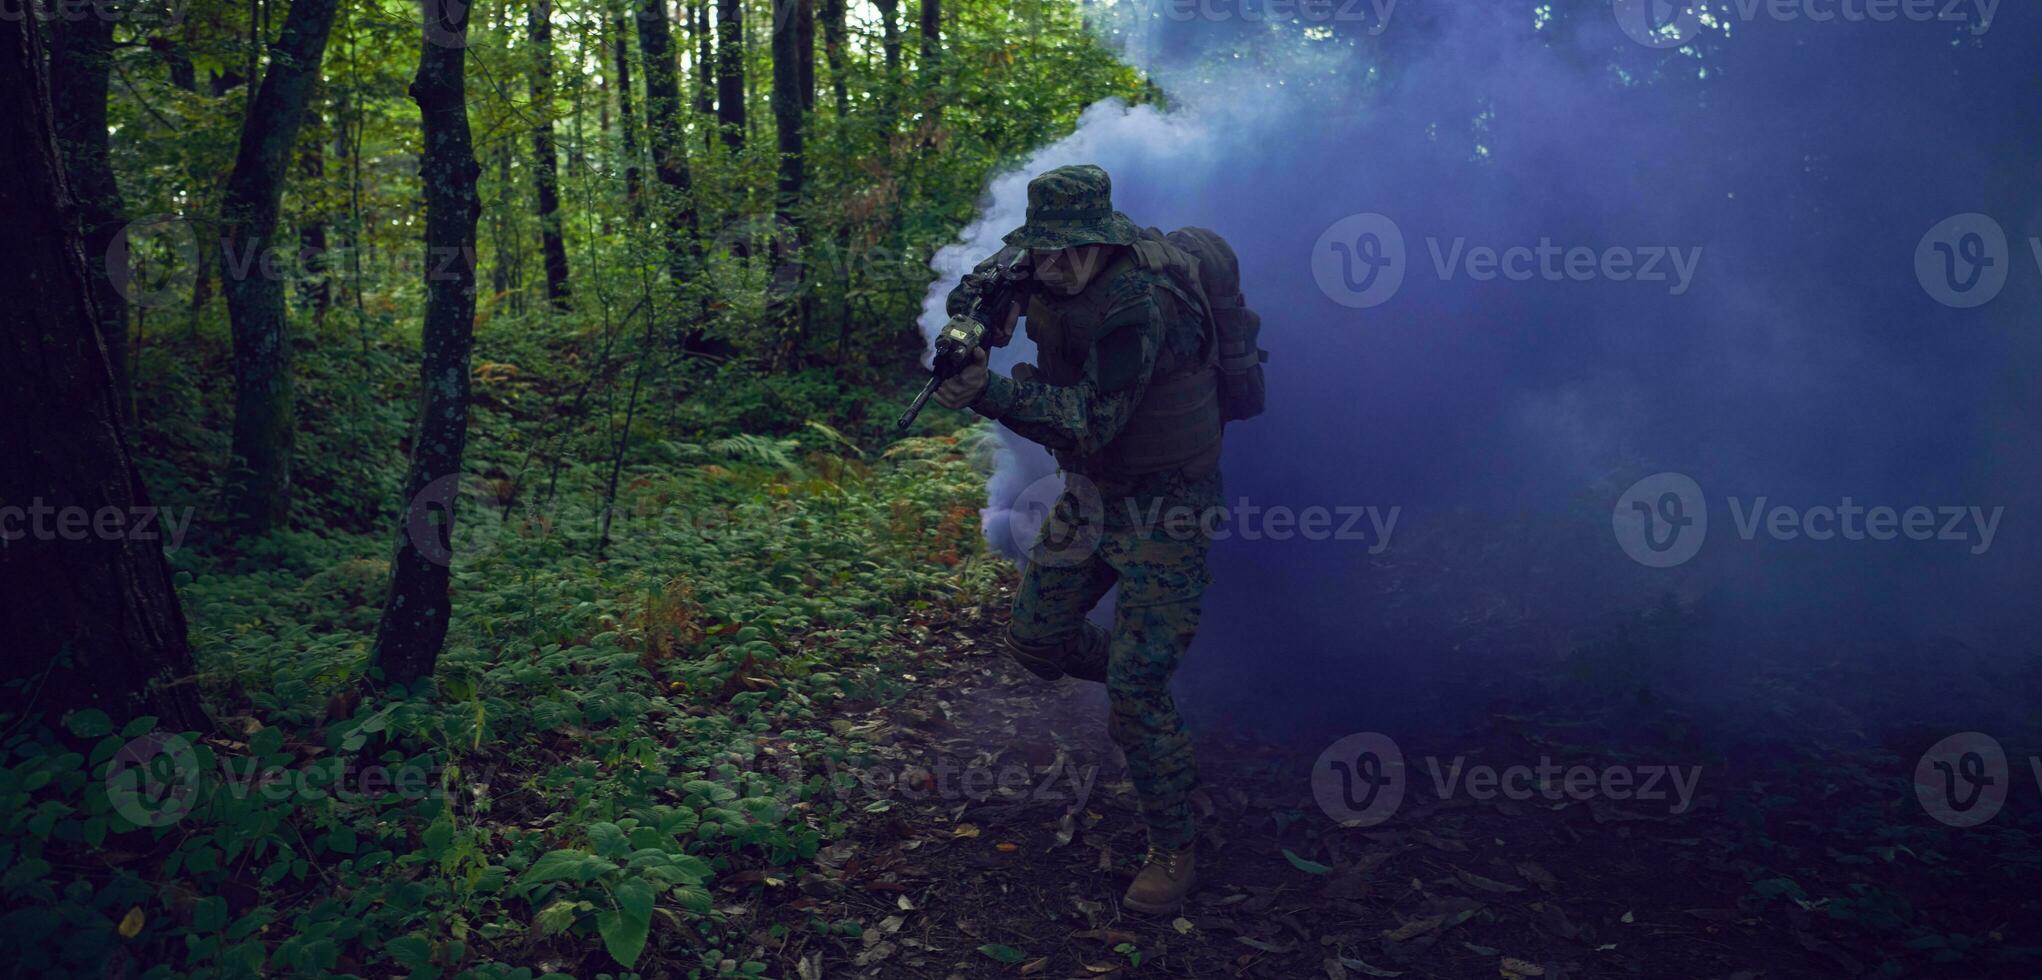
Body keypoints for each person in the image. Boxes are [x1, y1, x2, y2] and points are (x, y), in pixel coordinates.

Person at [933, 164, 1223, 913]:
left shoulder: (1138, 303)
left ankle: (1174, 842)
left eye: (1069, 252)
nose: (1052, 266)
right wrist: (976, 319)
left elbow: (1094, 420)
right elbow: (978, 286)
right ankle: (1144, 685)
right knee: (1035, 642)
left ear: (1102, 240)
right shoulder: (1035, 265)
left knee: (1133, 690)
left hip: (1169, 505)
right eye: (1043, 251)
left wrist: (987, 392)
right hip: (1094, 496)